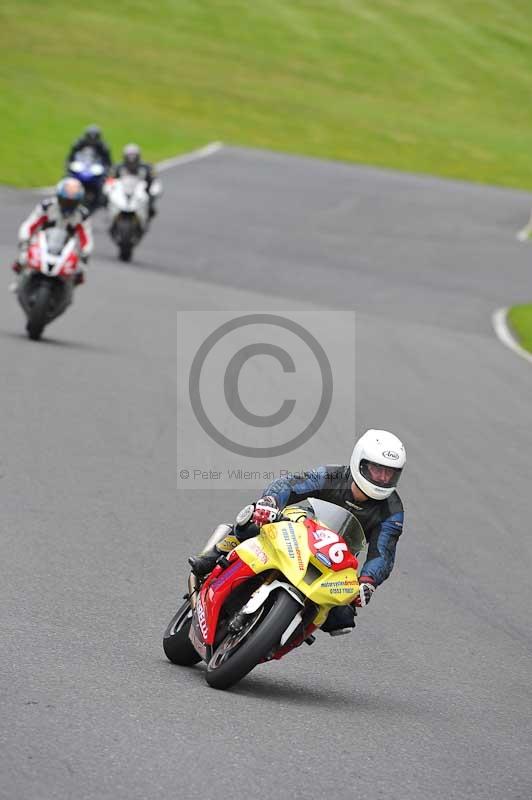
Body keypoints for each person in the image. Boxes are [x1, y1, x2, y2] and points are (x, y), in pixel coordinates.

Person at [189, 429, 406, 635]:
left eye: (390, 474)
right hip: (299, 529)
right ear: (360, 462)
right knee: (252, 522)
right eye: (378, 470)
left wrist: (368, 581)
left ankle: (289, 631)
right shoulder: (333, 475)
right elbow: (291, 484)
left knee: (341, 617)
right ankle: (213, 556)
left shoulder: (392, 510)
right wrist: (270, 501)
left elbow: (383, 552)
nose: (383, 479)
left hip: (333, 559)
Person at [12, 177, 93, 285]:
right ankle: (18, 282)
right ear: (59, 197)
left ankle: (67, 289)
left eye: (72, 202)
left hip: (67, 246)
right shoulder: (47, 206)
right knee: (22, 259)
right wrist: (25, 239)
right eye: (65, 201)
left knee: (79, 272)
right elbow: (30, 224)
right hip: (43, 240)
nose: (68, 205)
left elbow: (86, 238)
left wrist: (85, 252)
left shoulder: (82, 215)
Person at [111, 143, 159, 217]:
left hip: (140, 191)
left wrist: (149, 189)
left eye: (134, 156)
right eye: (129, 156)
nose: (131, 159)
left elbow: (152, 180)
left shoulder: (146, 167)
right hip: (123, 191)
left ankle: (149, 208)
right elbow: (111, 179)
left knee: (153, 192)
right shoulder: (118, 167)